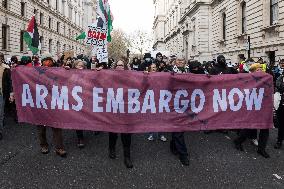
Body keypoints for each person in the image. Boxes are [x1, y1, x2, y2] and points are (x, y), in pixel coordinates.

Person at [233, 63, 270, 158]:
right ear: (253, 71)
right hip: (252, 106)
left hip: (264, 106)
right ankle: (238, 141)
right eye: (258, 69)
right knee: (249, 126)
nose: (260, 70)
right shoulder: (248, 79)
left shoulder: (266, 78)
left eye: (261, 69)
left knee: (265, 128)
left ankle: (261, 149)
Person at [37, 52, 67, 157]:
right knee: (41, 126)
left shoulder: (58, 70)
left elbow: (65, 79)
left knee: (56, 125)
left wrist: (67, 70)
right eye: (45, 60)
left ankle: (59, 147)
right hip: (41, 103)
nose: (47, 62)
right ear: (42, 62)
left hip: (54, 103)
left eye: (49, 60)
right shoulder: (36, 71)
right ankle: (43, 145)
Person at [108, 58, 133, 168]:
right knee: (113, 132)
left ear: (125, 67)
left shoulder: (131, 77)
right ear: (115, 67)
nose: (119, 67)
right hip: (113, 108)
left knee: (126, 133)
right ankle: (111, 148)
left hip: (126, 110)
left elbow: (142, 85)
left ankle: (127, 156)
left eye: (122, 65)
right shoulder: (109, 76)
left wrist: (146, 75)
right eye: (117, 65)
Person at [169, 55, 190, 166]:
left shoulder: (188, 71)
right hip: (173, 104)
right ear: (175, 62)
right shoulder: (169, 71)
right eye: (178, 60)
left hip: (186, 103)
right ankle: (183, 154)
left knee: (179, 129)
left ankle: (173, 145)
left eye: (182, 60)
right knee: (179, 128)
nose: (181, 61)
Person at [145, 63, 167, 142]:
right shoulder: (146, 76)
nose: (154, 69)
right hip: (150, 99)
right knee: (151, 117)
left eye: (155, 67)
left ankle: (161, 134)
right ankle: (151, 134)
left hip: (160, 99)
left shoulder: (160, 76)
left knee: (161, 117)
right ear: (149, 69)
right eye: (152, 68)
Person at [73, 60, 87, 148]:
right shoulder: (72, 75)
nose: (80, 67)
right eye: (78, 65)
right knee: (78, 119)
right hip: (76, 100)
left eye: (82, 66)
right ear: (75, 66)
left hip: (86, 99)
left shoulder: (87, 74)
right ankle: (80, 138)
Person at [0, 53, 12, 140]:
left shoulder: (6, 68)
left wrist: (11, 94)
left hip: (1, 94)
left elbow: (9, 82)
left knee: (0, 114)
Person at [274, 59, 284, 149]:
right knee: (281, 123)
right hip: (281, 103)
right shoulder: (280, 77)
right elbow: (277, 86)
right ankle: (279, 140)